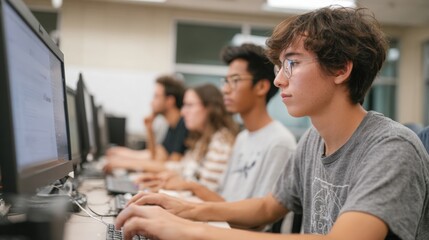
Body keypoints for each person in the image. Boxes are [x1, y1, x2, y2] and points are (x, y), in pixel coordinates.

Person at [115, 7, 429, 240]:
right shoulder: (312, 140)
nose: (279, 79)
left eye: (292, 63)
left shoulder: (391, 149)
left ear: (340, 69)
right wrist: (187, 209)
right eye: (280, 66)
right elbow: (268, 207)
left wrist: (186, 230)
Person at [142, 43, 297, 202]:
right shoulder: (242, 138)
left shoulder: (279, 142)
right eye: (226, 81)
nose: (225, 90)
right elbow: (223, 200)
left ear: (261, 87)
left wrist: (188, 191)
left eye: (235, 80)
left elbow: (259, 218)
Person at [140, 84, 238, 200]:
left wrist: (171, 189)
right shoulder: (203, 140)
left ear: (209, 108)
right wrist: (165, 177)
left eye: (189, 105)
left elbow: (208, 196)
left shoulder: (221, 143)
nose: (183, 112)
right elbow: (185, 169)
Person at [104, 75, 188, 173]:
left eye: (156, 96)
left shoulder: (184, 125)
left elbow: (170, 168)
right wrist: (149, 128)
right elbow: (155, 157)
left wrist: (122, 163)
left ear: (170, 101)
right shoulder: (172, 126)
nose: (151, 102)